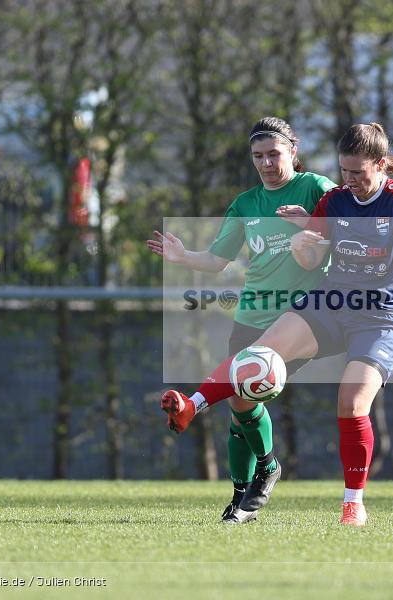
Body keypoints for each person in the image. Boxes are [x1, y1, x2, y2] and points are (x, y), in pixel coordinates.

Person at [160, 122, 393, 526]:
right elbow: (311, 258)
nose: (350, 180)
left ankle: (353, 502)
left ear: (382, 165)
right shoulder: (335, 201)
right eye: (345, 171)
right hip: (331, 303)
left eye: (358, 172)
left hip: (381, 318)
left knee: (351, 403)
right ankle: (191, 407)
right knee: (255, 356)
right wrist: (305, 246)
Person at [147, 116, 335, 524]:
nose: (267, 163)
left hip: (300, 316)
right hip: (252, 313)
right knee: (239, 403)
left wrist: (311, 224)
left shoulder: (316, 188)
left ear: (293, 151)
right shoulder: (245, 203)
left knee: (247, 389)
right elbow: (218, 260)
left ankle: (264, 466)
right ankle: (240, 496)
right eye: (258, 156)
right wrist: (183, 258)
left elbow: (350, 232)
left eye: (274, 153)